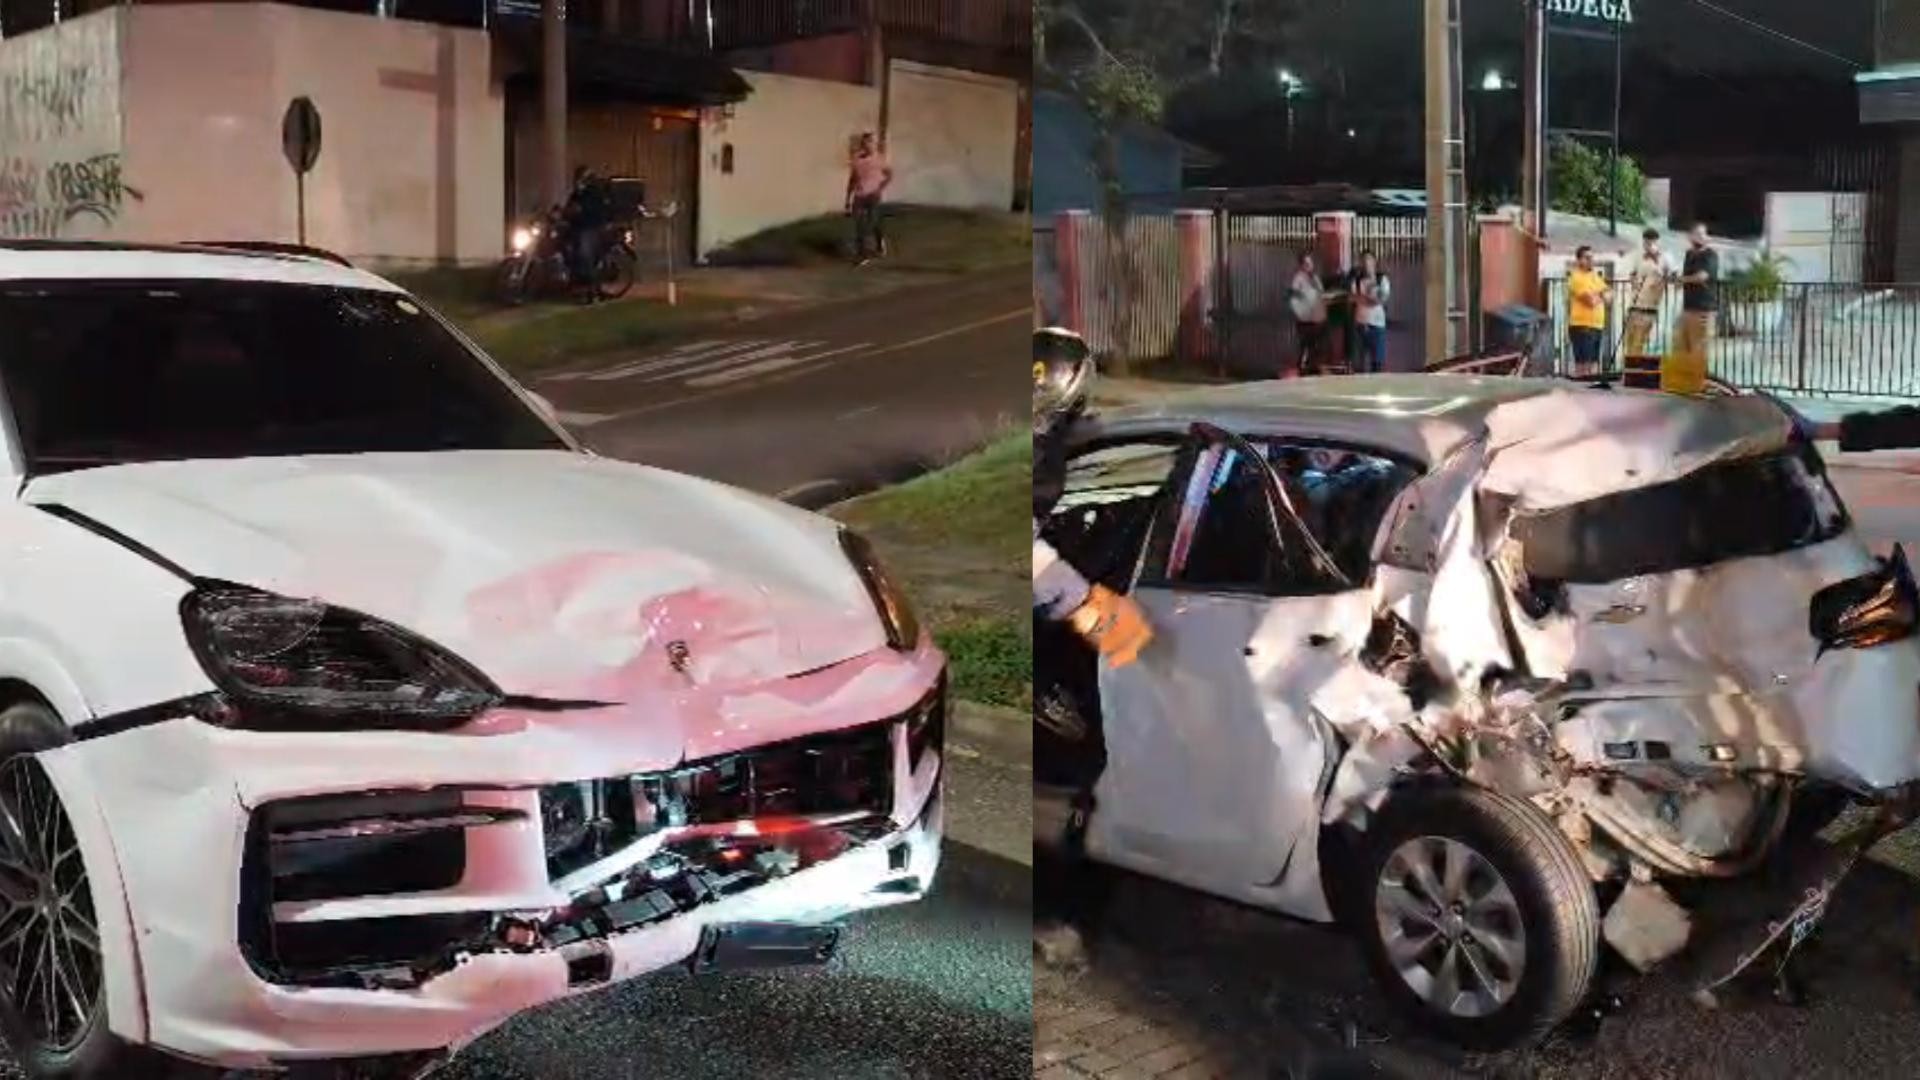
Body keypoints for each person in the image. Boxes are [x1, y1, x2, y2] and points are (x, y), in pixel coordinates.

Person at [1031, 326, 1151, 971]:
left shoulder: (1053, 449)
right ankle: (1060, 915)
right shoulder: (1041, 456)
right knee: (1075, 777)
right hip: (1049, 623)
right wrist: (1097, 615)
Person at [561, 167, 613, 303]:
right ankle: (572, 284)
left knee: (584, 255)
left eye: (580, 177)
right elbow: (570, 205)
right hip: (578, 227)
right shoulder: (578, 193)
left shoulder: (594, 192)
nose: (577, 180)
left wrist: (579, 210)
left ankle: (592, 291)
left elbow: (592, 209)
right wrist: (560, 212)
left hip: (590, 227)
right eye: (577, 177)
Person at [1623, 227, 1677, 356]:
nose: (1647, 245)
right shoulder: (1639, 257)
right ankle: (1629, 366)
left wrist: (1661, 281)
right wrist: (1634, 282)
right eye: (1645, 242)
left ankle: (1636, 366)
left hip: (1650, 306)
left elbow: (1674, 276)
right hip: (1635, 303)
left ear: (1657, 242)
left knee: (1639, 342)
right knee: (1629, 340)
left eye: (1650, 242)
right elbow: (1632, 273)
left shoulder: (1665, 257)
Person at [846, 133, 894, 266]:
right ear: (863, 145)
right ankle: (862, 254)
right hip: (859, 195)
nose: (868, 146)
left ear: (874, 144)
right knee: (859, 224)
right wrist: (848, 198)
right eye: (865, 143)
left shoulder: (879, 158)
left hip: (873, 195)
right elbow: (853, 179)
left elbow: (890, 174)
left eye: (870, 143)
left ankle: (879, 243)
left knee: (873, 221)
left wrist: (880, 187)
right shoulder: (857, 159)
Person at [1676, 223, 1719, 358]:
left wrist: (1682, 280)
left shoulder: (1710, 255)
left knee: (1698, 351)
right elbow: (1687, 277)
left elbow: (1702, 276)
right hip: (1688, 309)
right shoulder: (1689, 254)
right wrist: (1679, 281)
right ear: (1690, 237)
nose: (1700, 237)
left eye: (1703, 234)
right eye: (1697, 234)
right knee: (1681, 349)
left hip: (1703, 310)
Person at [1567, 245, 1610, 373]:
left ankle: (1591, 384)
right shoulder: (1576, 278)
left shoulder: (1594, 276)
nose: (1591, 260)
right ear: (1579, 260)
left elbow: (1610, 295)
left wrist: (1598, 295)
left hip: (1597, 325)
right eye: (1587, 258)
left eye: (1592, 257)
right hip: (1582, 326)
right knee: (1583, 365)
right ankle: (1582, 385)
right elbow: (1590, 301)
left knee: (1594, 363)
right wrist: (1601, 295)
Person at [1350, 249, 1391, 374]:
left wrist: (1366, 297)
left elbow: (1381, 299)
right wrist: (1369, 297)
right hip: (1360, 325)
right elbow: (1353, 298)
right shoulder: (1357, 281)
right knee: (1358, 364)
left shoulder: (1381, 279)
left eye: (1369, 260)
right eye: (1363, 260)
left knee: (1377, 363)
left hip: (1377, 326)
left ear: (1374, 261)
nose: (1366, 263)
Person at [1288, 251, 1328, 376]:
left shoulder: (1315, 278)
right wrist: (1301, 314)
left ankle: (1314, 369)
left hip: (1318, 319)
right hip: (1305, 320)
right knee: (1305, 346)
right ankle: (1303, 370)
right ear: (1301, 265)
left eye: (1310, 263)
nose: (1309, 266)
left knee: (1317, 348)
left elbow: (1320, 295)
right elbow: (1293, 299)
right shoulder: (1298, 279)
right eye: (1306, 263)